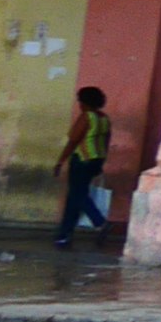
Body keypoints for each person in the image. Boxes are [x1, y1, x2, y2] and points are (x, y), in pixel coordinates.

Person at [53, 86, 113, 249]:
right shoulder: (104, 119)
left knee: (77, 195)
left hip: (82, 160)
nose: (79, 103)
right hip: (97, 159)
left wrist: (60, 161)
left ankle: (99, 222)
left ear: (85, 102)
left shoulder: (86, 117)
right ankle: (64, 235)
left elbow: (73, 141)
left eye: (80, 100)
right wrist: (101, 162)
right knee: (74, 198)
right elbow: (106, 143)